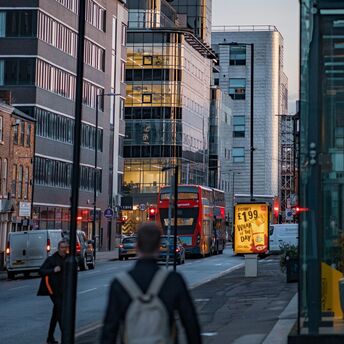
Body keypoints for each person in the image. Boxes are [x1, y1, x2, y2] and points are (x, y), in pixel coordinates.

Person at [101, 222, 202, 344]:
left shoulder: (119, 284)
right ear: (159, 246)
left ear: (137, 246)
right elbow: (190, 323)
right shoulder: (173, 280)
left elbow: (109, 330)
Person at [37, 239, 69, 344]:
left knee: (55, 314)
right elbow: (41, 271)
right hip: (53, 290)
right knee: (60, 311)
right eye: (62, 247)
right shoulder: (52, 259)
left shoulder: (68, 259)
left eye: (65, 247)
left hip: (63, 290)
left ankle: (50, 338)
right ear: (58, 248)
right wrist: (53, 270)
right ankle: (66, 336)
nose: (64, 250)